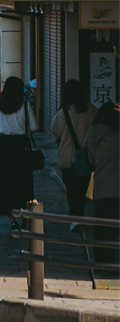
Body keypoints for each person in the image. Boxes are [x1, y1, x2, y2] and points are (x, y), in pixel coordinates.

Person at [0, 76, 37, 229]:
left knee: (5, 183)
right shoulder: (25, 106)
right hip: (21, 146)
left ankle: (11, 218)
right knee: (23, 182)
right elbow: (34, 127)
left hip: (4, 149)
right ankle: (25, 215)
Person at [50, 80, 96, 228]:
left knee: (71, 189)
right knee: (82, 189)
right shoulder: (92, 111)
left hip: (67, 158)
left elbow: (54, 131)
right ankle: (79, 215)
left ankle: (74, 217)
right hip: (85, 158)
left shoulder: (63, 113)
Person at [85, 102, 118, 264]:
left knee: (99, 224)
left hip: (101, 184)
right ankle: (112, 261)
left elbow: (91, 159)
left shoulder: (94, 133)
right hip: (117, 187)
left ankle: (100, 260)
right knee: (114, 225)